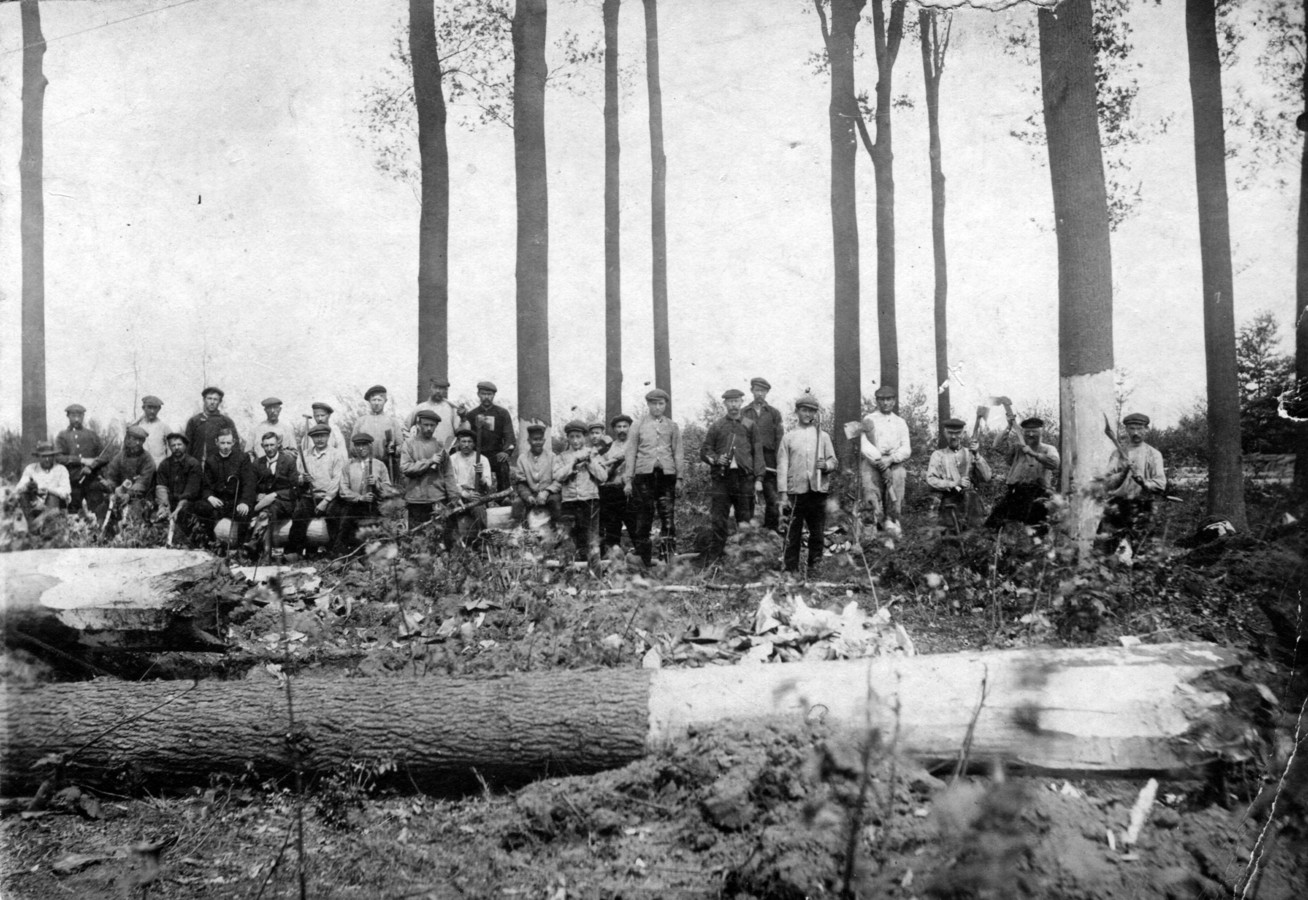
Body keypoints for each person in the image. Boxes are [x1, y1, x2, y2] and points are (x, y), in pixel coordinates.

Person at [777, 393, 838, 575]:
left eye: (811, 411)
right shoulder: (788, 438)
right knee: (792, 532)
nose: (807, 414)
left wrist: (825, 465)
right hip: (796, 491)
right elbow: (782, 466)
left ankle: (814, 566)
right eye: (804, 410)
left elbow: (833, 461)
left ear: (815, 414)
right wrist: (783, 493)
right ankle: (790, 568)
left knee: (817, 532)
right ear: (797, 412)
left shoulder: (823, 437)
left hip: (817, 490)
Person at [700, 388, 763, 561]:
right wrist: (715, 459)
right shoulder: (717, 426)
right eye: (730, 401)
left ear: (742, 402)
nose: (734, 405)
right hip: (722, 479)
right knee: (719, 519)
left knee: (745, 518)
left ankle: (747, 560)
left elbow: (758, 453)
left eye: (736, 401)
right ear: (725, 404)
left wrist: (759, 478)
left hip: (744, 479)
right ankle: (715, 558)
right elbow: (705, 450)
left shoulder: (750, 425)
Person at [624, 389, 684, 567]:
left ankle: (668, 556)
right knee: (644, 516)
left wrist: (679, 478)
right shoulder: (638, 425)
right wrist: (628, 479)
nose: (657, 407)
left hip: (666, 476)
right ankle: (643, 558)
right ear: (648, 404)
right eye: (654, 404)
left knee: (667, 516)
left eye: (661, 404)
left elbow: (678, 453)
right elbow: (631, 452)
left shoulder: (672, 426)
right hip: (644, 477)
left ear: (665, 405)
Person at [1099, 412, 1167, 549]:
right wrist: (1123, 473)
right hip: (1117, 506)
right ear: (1126, 430)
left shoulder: (1153, 454)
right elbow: (1107, 484)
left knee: (1143, 552)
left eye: (1140, 428)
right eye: (1131, 428)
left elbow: (1160, 484)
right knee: (1103, 548)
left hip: (1142, 506)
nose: (1136, 432)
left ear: (1146, 429)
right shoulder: (1117, 454)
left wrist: (1144, 483)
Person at [986, 415, 1060, 531]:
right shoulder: (1017, 448)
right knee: (995, 523)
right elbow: (997, 446)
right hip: (1015, 493)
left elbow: (1054, 463)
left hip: (1038, 494)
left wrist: (1034, 454)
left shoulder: (1048, 449)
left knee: (1035, 528)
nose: (1031, 435)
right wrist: (1008, 426)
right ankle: (999, 547)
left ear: (1041, 433)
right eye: (1027, 432)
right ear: (1023, 433)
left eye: (1034, 432)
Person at [859, 385, 912, 532]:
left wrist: (890, 460)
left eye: (889, 399)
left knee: (898, 481)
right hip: (873, 462)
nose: (886, 403)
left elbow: (906, 449)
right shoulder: (869, 419)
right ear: (877, 401)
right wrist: (879, 461)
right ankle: (871, 527)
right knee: (870, 490)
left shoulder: (900, 422)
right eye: (882, 399)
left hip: (894, 462)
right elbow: (865, 445)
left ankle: (892, 523)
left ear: (894, 401)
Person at [926, 418, 993, 535]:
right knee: (950, 538)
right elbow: (931, 480)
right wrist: (954, 483)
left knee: (975, 536)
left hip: (972, 502)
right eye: (950, 433)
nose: (953, 437)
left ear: (963, 433)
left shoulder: (971, 453)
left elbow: (987, 477)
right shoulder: (938, 455)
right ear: (944, 433)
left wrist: (977, 455)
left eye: (957, 433)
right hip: (949, 500)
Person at [554, 420, 608, 562]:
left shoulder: (594, 455)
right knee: (567, 541)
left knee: (592, 542)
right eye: (571, 437)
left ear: (584, 437)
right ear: (568, 438)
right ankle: (568, 578)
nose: (575, 440)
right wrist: (573, 463)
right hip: (569, 503)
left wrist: (590, 462)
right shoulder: (561, 457)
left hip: (590, 502)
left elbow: (603, 477)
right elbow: (558, 476)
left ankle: (595, 580)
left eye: (578, 436)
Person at [193, 428, 257, 547]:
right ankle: (211, 542)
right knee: (200, 507)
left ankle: (241, 547)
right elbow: (206, 485)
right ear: (217, 442)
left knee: (245, 513)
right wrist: (210, 497)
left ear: (233, 442)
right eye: (222, 443)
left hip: (236, 502)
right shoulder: (211, 461)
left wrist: (244, 502)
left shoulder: (242, 458)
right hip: (219, 503)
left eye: (228, 443)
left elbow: (249, 484)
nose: (226, 446)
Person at [252, 432, 312, 557]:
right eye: (266, 445)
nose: (269, 449)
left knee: (269, 510)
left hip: (286, 502)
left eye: (272, 445)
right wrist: (257, 494)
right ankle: (261, 551)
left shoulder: (289, 461)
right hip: (264, 503)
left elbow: (294, 489)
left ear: (278, 445)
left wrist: (274, 495)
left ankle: (260, 549)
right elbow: (251, 486)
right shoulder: (258, 463)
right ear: (262, 446)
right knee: (267, 511)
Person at [336, 433, 395, 546]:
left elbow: (388, 488)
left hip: (374, 506)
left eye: (364, 444)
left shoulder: (380, 465)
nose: (361, 448)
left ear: (370, 446)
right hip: (353, 506)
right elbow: (343, 490)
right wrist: (360, 497)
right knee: (345, 531)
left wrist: (377, 484)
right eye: (358, 445)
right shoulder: (348, 465)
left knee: (377, 533)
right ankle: (343, 556)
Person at [741, 377, 784, 530]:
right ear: (752, 391)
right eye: (757, 390)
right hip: (749, 459)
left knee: (772, 498)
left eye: (763, 391)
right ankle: (748, 531)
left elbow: (780, 439)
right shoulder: (743, 412)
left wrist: (780, 462)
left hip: (769, 460)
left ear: (767, 393)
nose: (760, 394)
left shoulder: (774, 413)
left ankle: (770, 530)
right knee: (747, 497)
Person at [459, 381, 516, 491]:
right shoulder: (471, 415)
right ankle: (474, 495)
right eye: (484, 394)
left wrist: (506, 451)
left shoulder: (502, 413)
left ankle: (503, 495)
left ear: (494, 395)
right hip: (477, 455)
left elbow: (509, 435)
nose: (486, 397)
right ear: (478, 394)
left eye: (489, 394)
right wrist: (463, 418)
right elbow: (464, 434)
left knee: (503, 464)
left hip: (495, 454)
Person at [401, 409, 453, 530]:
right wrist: (429, 461)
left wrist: (454, 497)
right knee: (417, 538)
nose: (429, 428)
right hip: (416, 500)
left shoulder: (440, 446)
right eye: (426, 425)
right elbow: (405, 468)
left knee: (438, 536)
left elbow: (448, 474)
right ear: (418, 425)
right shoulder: (409, 444)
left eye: (432, 425)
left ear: (436, 426)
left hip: (437, 499)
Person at [99, 424, 158, 526]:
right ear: (127, 439)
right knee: (102, 509)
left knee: (134, 515)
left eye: (141, 440)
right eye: (135, 439)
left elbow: (143, 482)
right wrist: (110, 486)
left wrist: (129, 495)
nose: (138, 443)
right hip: (120, 494)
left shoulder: (147, 459)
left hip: (140, 497)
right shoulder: (120, 457)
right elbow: (112, 475)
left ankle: (132, 536)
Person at [55, 403, 108, 513]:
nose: (77, 419)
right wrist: (81, 460)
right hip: (72, 482)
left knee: (97, 512)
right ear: (68, 416)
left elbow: (105, 457)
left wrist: (92, 466)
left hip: (92, 481)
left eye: (79, 416)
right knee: (73, 515)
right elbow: (59, 457)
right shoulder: (62, 436)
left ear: (83, 416)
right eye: (73, 416)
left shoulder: (92, 435)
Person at [447, 427, 495, 547]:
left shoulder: (482, 459)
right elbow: (451, 482)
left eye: (470, 442)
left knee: (479, 509)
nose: (466, 445)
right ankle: (452, 546)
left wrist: (481, 476)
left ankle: (484, 543)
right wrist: (464, 494)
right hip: (459, 494)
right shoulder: (452, 459)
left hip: (477, 494)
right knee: (449, 512)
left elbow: (489, 485)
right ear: (458, 443)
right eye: (463, 441)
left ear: (474, 444)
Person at [153, 432, 203, 542]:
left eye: (179, 445)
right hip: (170, 502)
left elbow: (191, 490)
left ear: (185, 445)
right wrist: (164, 506)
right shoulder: (164, 464)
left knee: (185, 517)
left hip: (188, 503)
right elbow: (161, 487)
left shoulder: (193, 464)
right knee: (157, 518)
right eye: (173, 445)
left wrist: (179, 508)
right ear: (169, 447)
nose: (176, 448)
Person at [302, 423, 346, 544]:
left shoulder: (336, 454)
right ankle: (295, 551)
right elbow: (298, 475)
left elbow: (337, 479)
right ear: (311, 438)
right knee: (298, 515)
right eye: (316, 436)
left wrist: (326, 501)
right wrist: (302, 478)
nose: (320, 439)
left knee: (333, 516)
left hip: (330, 497)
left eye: (323, 436)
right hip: (309, 496)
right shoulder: (305, 455)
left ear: (328, 437)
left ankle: (334, 550)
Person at [597, 414, 635, 553]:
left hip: (630, 489)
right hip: (612, 489)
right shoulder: (609, 448)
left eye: (625, 426)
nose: (622, 429)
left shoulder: (635, 445)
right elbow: (604, 472)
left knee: (633, 522)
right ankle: (614, 556)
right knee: (613, 524)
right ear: (614, 429)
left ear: (629, 428)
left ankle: (642, 555)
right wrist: (612, 464)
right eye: (618, 427)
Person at [512, 423, 562, 526]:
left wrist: (546, 492)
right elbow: (521, 483)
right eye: (535, 439)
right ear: (529, 441)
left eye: (540, 439)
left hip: (549, 493)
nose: (538, 442)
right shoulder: (522, 459)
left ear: (544, 440)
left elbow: (558, 480)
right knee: (517, 503)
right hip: (531, 493)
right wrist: (528, 496)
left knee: (555, 503)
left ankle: (556, 531)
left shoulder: (552, 457)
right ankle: (520, 533)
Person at [352, 386, 406, 479]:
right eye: (374, 400)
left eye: (379, 400)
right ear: (369, 401)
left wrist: (393, 451)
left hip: (387, 466)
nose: (376, 403)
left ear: (385, 401)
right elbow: (352, 448)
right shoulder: (361, 422)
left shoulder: (392, 422)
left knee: (387, 491)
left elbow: (401, 447)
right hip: (365, 465)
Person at [14, 442, 71, 526]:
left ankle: (43, 526)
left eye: (49, 456)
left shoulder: (61, 469)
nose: (47, 459)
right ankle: (33, 525)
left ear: (53, 456)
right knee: (23, 496)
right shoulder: (31, 469)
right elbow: (17, 489)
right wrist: (28, 487)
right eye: (44, 456)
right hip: (35, 505)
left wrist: (48, 489)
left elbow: (66, 491)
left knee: (53, 497)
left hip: (55, 506)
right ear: (38, 457)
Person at [185, 387, 241, 465]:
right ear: (204, 400)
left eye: (215, 399)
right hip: (197, 465)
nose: (212, 402)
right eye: (209, 398)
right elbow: (187, 447)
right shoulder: (194, 421)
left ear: (219, 402)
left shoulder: (226, 421)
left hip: (220, 465)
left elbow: (235, 447)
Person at [407, 376, 458, 449]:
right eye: (435, 387)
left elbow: (459, 431)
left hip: (446, 452)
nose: (438, 391)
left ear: (445, 390)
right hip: (424, 452)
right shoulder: (420, 408)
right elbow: (405, 428)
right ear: (430, 388)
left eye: (441, 388)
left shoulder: (451, 409)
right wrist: (412, 444)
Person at [132, 395, 172, 464]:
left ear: (159, 409)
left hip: (159, 468)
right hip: (142, 468)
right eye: (149, 408)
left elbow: (171, 448)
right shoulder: (138, 426)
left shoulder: (164, 427)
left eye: (155, 408)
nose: (152, 411)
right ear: (143, 408)